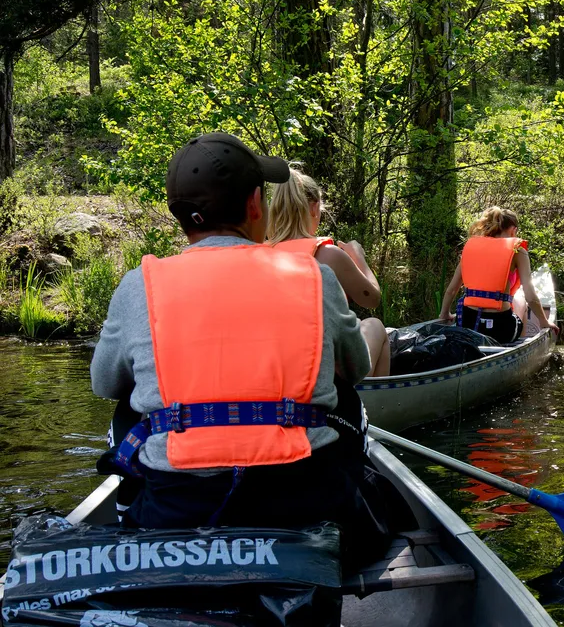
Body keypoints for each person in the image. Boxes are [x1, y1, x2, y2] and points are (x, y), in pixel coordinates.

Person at [91, 132, 408, 568]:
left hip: (179, 510)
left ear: (179, 213)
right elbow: (354, 368)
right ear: (256, 204)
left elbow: (103, 381)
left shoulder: (137, 286)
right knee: (344, 395)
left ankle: (131, 516)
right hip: (302, 501)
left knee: (128, 402)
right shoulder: (315, 277)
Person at [267, 166, 390, 377]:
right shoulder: (328, 255)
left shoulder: (260, 253)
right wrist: (359, 257)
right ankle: (371, 405)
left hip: (279, 367)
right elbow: (372, 299)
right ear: (314, 208)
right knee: (375, 325)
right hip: (324, 371)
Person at [438, 206, 558, 344]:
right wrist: (544, 322)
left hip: (468, 325)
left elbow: (451, 290)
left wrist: (444, 314)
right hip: (501, 330)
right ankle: (519, 345)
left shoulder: (471, 248)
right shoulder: (517, 250)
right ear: (514, 230)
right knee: (520, 299)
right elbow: (531, 297)